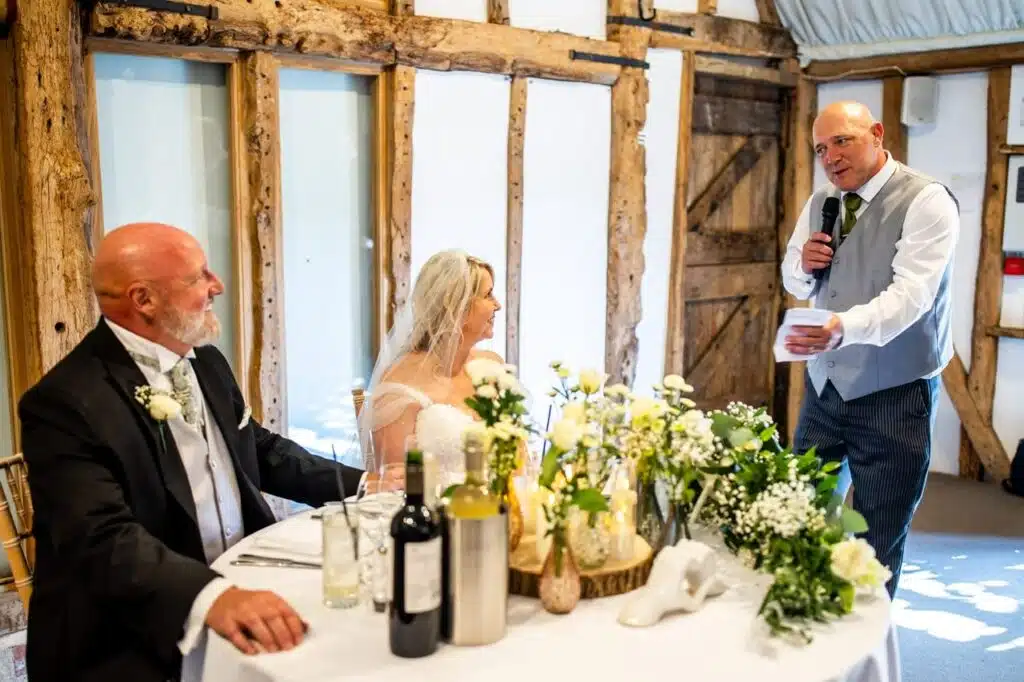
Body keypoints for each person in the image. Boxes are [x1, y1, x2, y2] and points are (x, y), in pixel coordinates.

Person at [18, 223, 365, 682]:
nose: (217, 285)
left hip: (245, 578)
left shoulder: (205, 361)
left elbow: (258, 451)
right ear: (143, 300)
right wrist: (212, 597)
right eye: (199, 276)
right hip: (130, 632)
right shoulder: (64, 403)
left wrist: (361, 483)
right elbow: (101, 538)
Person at [781, 101, 959, 597]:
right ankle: (804, 629)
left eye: (842, 141)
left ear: (877, 134)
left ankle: (865, 663)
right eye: (821, 149)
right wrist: (805, 264)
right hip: (826, 386)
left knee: (875, 539)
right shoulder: (822, 202)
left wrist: (841, 328)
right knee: (802, 513)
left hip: (895, 393)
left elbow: (912, 298)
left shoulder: (928, 202)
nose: (831, 157)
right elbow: (793, 278)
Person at [357, 249, 507, 486]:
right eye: (488, 295)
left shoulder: (493, 367)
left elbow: (517, 456)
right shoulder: (400, 384)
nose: (497, 305)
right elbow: (394, 486)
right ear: (457, 306)